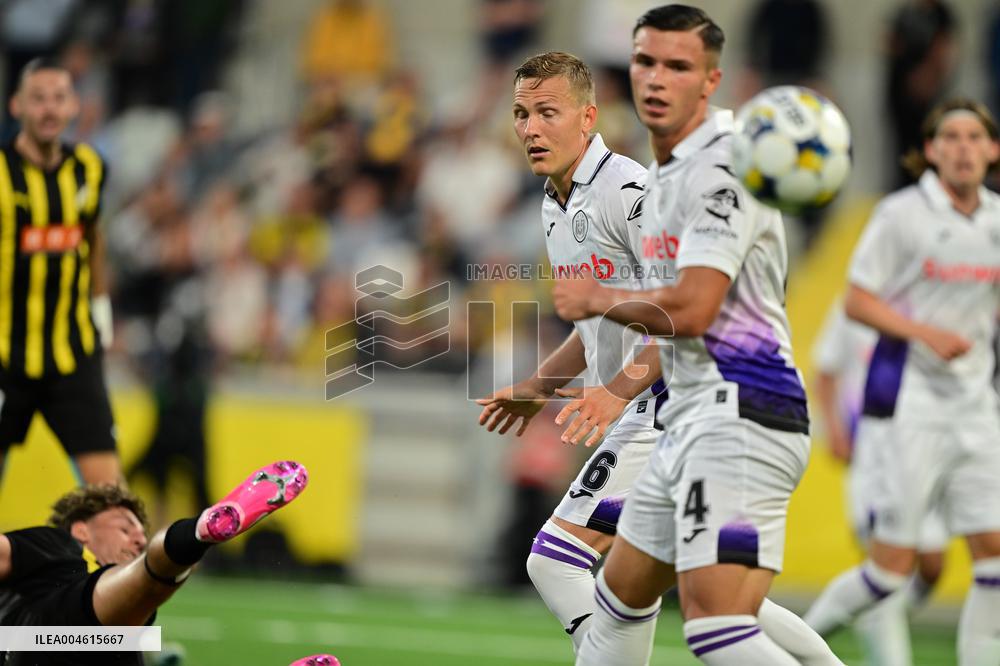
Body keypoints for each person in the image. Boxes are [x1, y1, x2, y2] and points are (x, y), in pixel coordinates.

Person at [486, 45, 841, 664]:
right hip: (652, 406)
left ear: (589, 117)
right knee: (697, 581)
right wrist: (538, 387)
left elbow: (677, 310)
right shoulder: (554, 203)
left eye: (548, 112)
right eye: (521, 114)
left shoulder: (627, 191)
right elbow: (598, 323)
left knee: (556, 560)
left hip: (667, 401)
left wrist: (616, 391)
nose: (531, 128)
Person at [802, 98, 1000, 666]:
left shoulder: (994, 220)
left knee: (992, 563)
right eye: (951, 138)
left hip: (975, 407)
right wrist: (924, 333)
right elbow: (858, 301)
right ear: (932, 151)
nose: (963, 148)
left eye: (973, 137)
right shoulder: (901, 215)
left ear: (991, 149)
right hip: (912, 409)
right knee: (889, 572)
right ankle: (797, 648)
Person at [0, 460, 308, 665]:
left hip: (100, 639)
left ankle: (196, 537)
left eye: (141, 533)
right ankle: (198, 534)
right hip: (31, 640)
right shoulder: (57, 543)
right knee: (143, 584)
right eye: (124, 528)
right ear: (81, 528)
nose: (137, 538)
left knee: (134, 616)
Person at [0, 58, 119, 485]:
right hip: (4, 354)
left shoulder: (90, 167)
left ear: (73, 107)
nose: (49, 109)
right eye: (38, 99)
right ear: (16, 106)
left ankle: (119, 555)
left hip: (71, 353)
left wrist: (101, 303)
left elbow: (93, 236)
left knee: (111, 496)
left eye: (59, 98)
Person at [813, 300, 947, 665]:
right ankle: (825, 638)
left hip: (923, 444)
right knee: (885, 566)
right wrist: (835, 429)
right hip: (874, 448)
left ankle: (866, 619)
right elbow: (826, 371)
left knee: (932, 564)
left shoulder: (928, 301)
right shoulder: (853, 306)